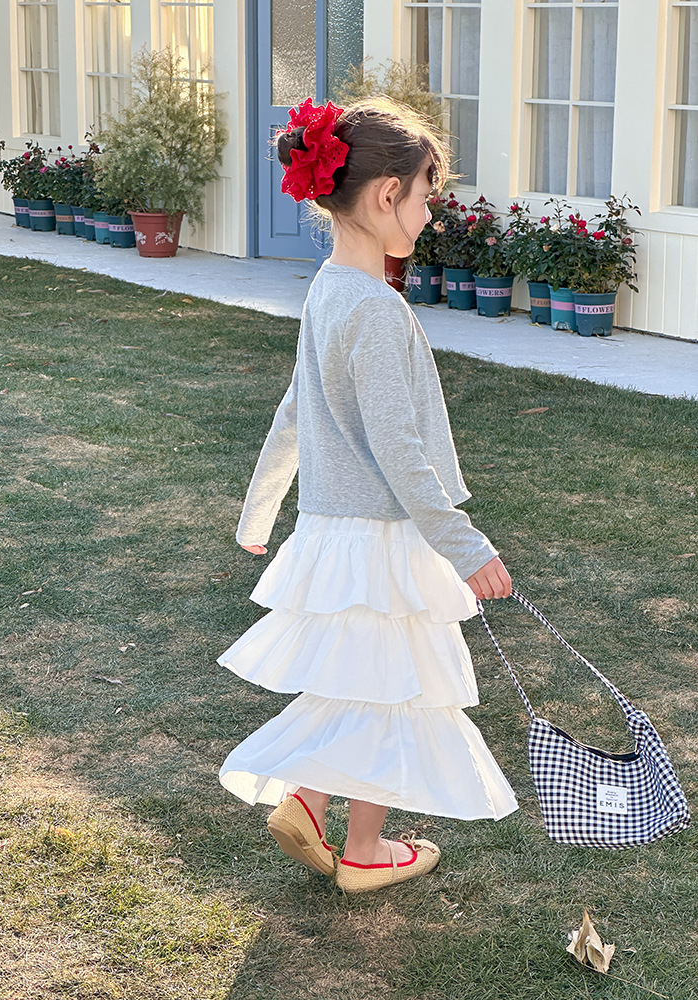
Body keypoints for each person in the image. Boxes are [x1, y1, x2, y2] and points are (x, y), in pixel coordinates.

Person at [218, 96, 517, 894]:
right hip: (384, 538)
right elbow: (399, 451)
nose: (428, 214)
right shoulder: (377, 310)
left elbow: (293, 409)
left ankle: (313, 804)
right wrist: (465, 546)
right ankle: (357, 848)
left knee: (365, 683)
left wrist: (258, 510)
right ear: (387, 194)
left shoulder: (327, 290)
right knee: (400, 690)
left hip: (335, 534)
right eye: (425, 197)